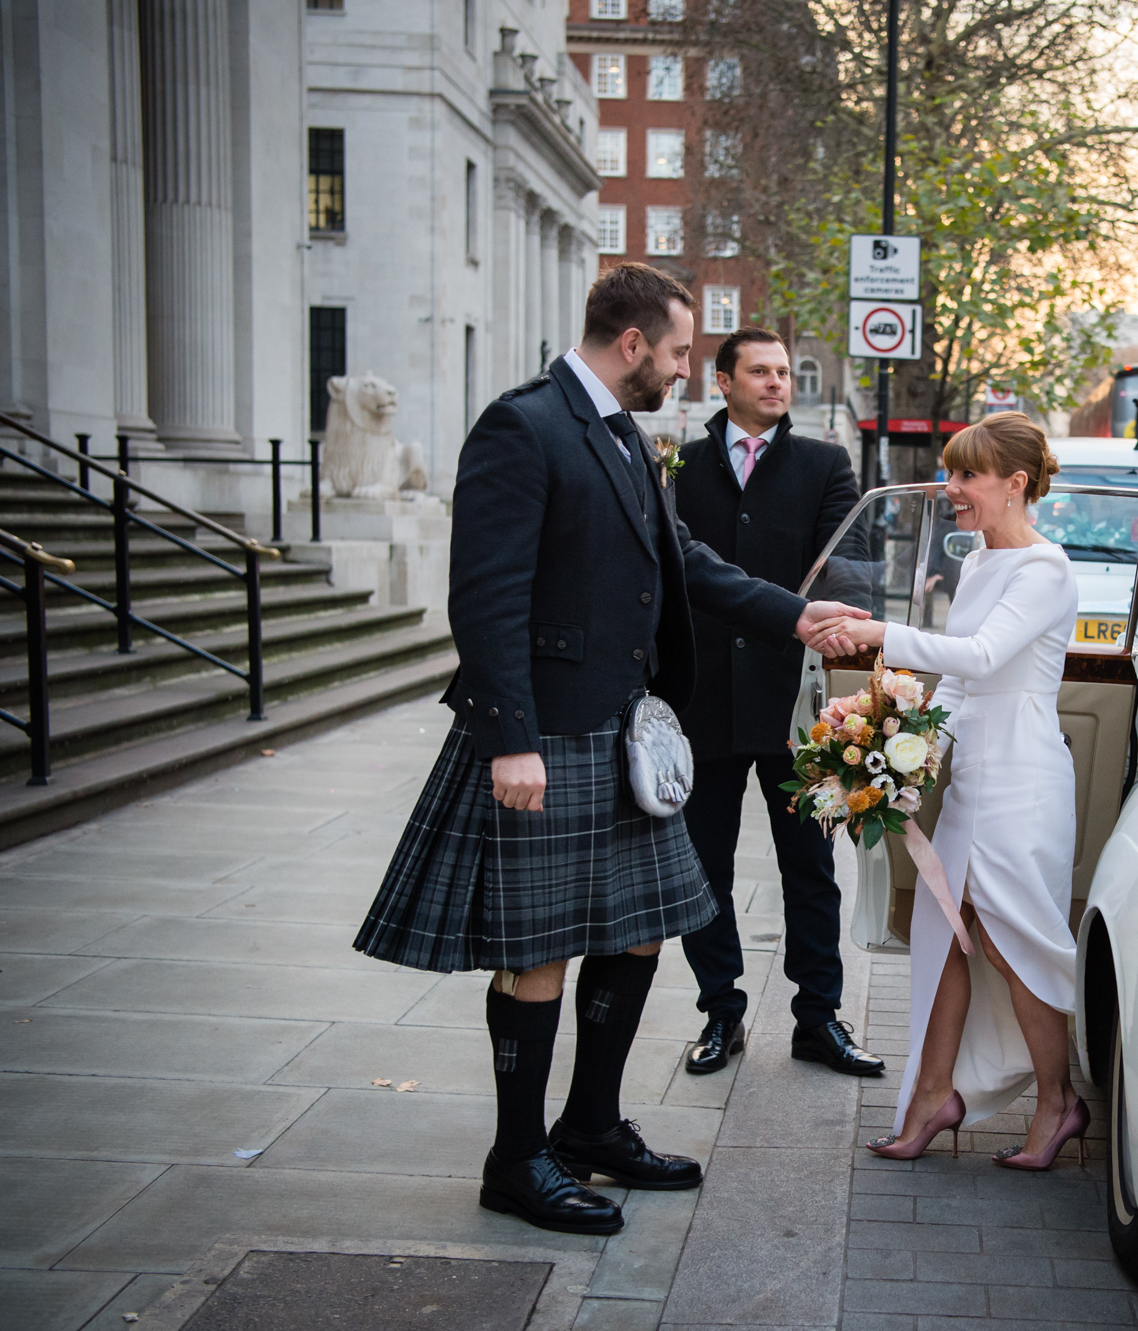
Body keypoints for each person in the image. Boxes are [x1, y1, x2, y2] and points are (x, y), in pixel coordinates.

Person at [353, 263, 864, 1236]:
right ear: (631, 345)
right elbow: (486, 594)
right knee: (540, 948)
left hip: (623, 731)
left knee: (637, 927)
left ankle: (590, 1124)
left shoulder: (624, 436)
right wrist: (510, 741)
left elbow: (689, 562)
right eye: (677, 353)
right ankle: (517, 1158)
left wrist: (797, 615)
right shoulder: (525, 425)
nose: (683, 371)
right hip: (545, 734)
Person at [816, 412, 1088, 1169]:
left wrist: (879, 636)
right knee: (948, 927)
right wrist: (905, 757)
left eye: (966, 474)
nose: (951, 487)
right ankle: (934, 1092)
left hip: (1024, 777)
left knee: (1010, 939)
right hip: (974, 776)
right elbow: (962, 688)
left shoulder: (1045, 568)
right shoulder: (975, 563)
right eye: (949, 470)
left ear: (1015, 483)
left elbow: (984, 654)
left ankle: (1059, 1101)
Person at [672, 326, 883, 1078]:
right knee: (704, 866)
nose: (775, 383)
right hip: (701, 703)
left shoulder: (825, 464)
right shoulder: (680, 465)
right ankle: (719, 1011)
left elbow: (849, 569)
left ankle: (818, 1016)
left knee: (811, 866)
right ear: (722, 381)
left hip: (798, 705)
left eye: (784, 372)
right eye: (758, 371)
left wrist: (838, 619)